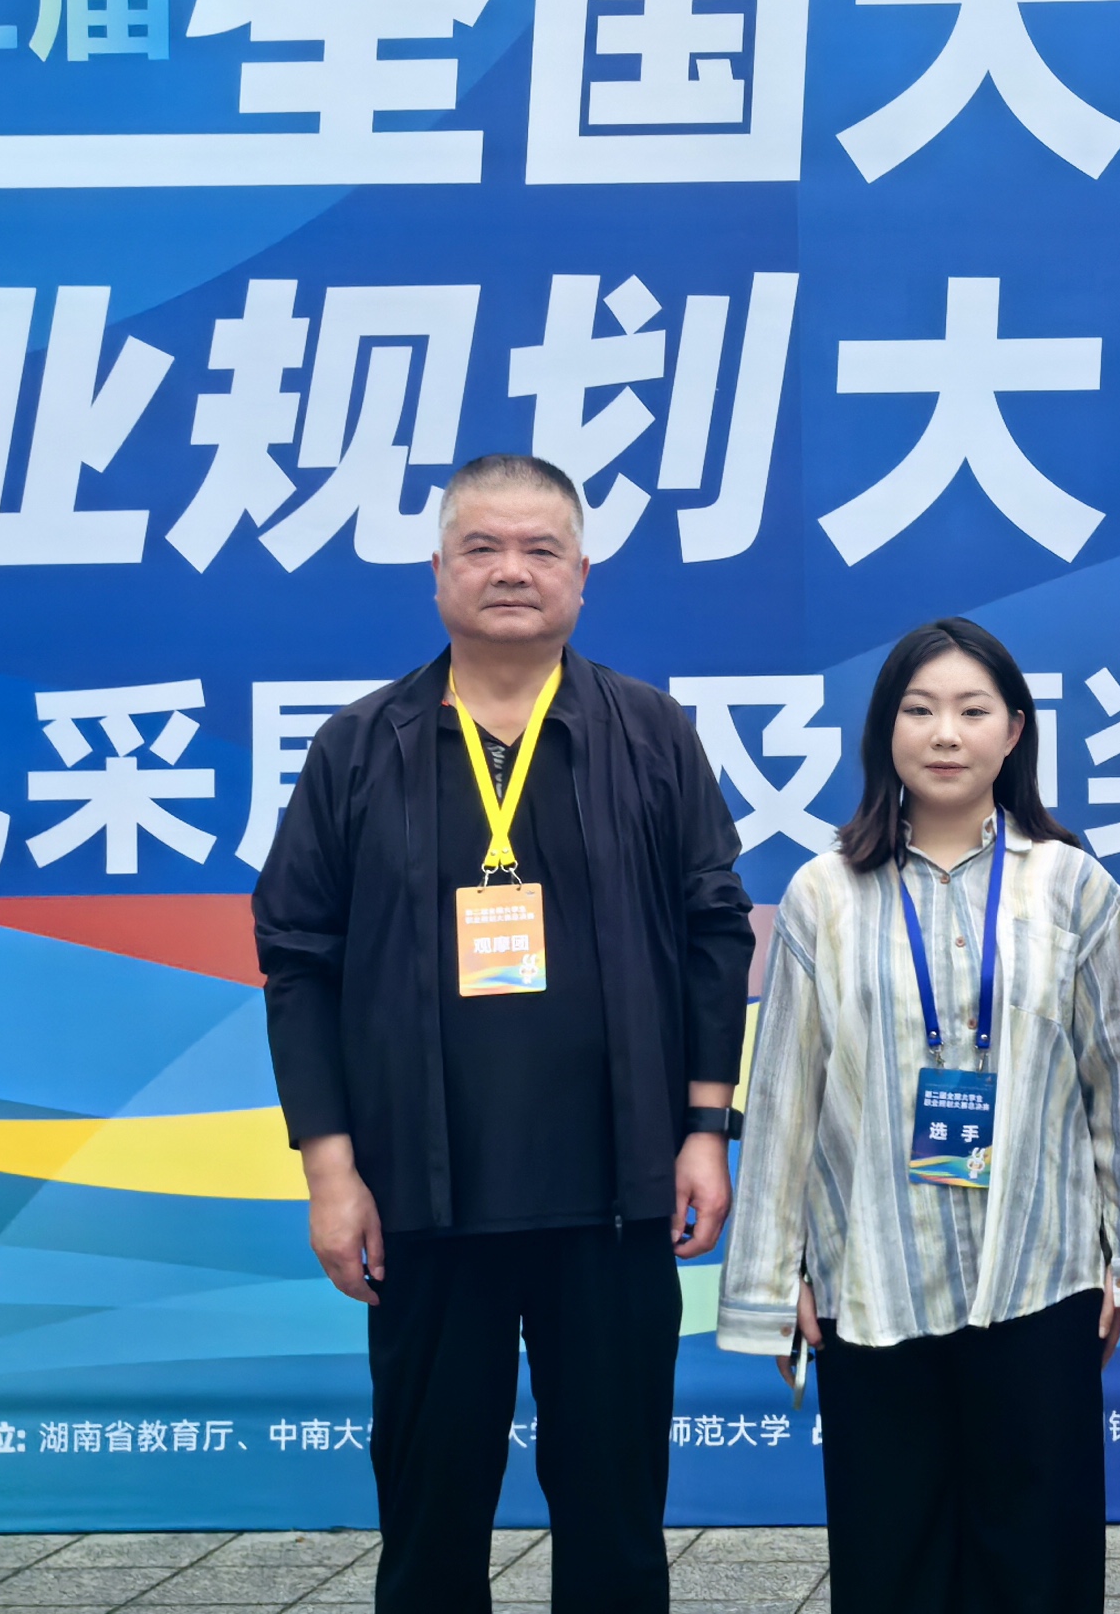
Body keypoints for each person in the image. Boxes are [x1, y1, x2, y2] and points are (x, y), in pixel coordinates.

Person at [255, 453, 756, 1614]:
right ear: (438, 571)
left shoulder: (649, 733)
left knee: (616, 1512)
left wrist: (704, 1129)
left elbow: (713, 931)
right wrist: (331, 1172)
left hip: (616, 1191)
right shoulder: (358, 747)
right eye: (482, 547)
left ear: (582, 574)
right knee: (430, 1510)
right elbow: (299, 960)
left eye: (540, 549)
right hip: (423, 1199)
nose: (511, 570)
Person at [715, 616, 1120, 1614]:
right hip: (873, 1279)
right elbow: (783, 1097)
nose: (945, 733)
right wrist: (777, 1277)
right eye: (919, 710)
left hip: (1041, 1274)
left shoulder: (1073, 886)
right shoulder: (824, 892)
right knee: (892, 1563)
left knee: (1037, 1564)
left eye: (971, 710)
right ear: (885, 731)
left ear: (1015, 730)